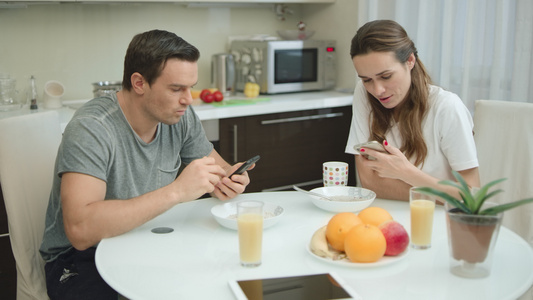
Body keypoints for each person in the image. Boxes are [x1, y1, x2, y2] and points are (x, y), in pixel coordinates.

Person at [40, 29, 253, 299]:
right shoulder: (92, 128)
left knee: (220, 281)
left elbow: (219, 169)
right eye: (176, 89)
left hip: (147, 237)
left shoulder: (179, 115)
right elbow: (81, 230)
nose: (188, 99)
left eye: (190, 87)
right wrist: (177, 191)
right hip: (80, 259)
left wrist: (228, 180)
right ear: (139, 83)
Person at [345, 20, 480, 201]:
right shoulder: (364, 93)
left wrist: (406, 172)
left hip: (436, 220)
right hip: (384, 215)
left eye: (386, 76)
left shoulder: (447, 107)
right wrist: (437, 193)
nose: (377, 90)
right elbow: (368, 182)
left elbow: (471, 196)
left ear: (410, 60)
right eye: (367, 79)